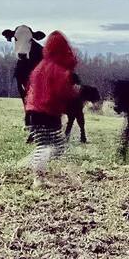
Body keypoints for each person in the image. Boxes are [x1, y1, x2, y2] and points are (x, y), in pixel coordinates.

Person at [23, 31, 80, 185]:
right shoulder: (60, 71)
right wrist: (75, 92)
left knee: (53, 144)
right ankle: (35, 167)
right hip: (47, 113)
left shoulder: (40, 67)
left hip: (34, 112)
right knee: (51, 147)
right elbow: (64, 92)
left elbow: (31, 88)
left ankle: (39, 175)